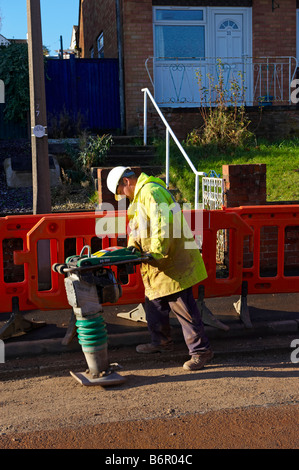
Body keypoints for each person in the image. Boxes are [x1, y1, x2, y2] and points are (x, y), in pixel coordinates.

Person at [106, 166, 213, 371]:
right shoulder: (140, 198)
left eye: (121, 191)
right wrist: (131, 249)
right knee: (154, 304)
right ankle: (161, 342)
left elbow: (162, 225)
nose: (122, 196)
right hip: (157, 263)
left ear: (126, 182)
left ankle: (201, 351)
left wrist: (156, 253)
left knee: (183, 307)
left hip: (170, 261)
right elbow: (137, 228)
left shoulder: (151, 193)